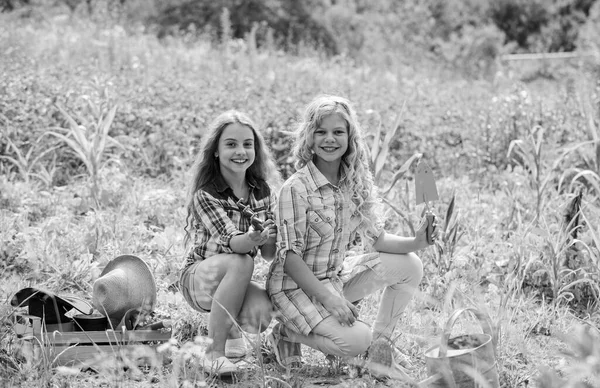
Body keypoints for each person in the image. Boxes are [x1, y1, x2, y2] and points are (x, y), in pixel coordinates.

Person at [266, 95, 436, 373]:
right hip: (293, 287)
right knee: (356, 340)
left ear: (350, 137)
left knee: (410, 264)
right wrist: (331, 300)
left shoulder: (352, 182)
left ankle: (380, 347)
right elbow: (289, 258)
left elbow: (378, 239)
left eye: (338, 132)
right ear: (309, 137)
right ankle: (286, 332)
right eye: (321, 132)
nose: (329, 139)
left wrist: (417, 242)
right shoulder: (296, 189)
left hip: (333, 277)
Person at [179, 110, 281, 376]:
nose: (241, 151)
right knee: (241, 260)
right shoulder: (207, 194)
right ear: (216, 151)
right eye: (231, 144)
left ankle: (232, 332)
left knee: (261, 312)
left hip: (233, 277)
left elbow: (269, 254)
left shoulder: (262, 191)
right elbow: (234, 242)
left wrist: (270, 235)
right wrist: (251, 238)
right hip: (199, 280)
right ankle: (213, 353)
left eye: (248, 144)